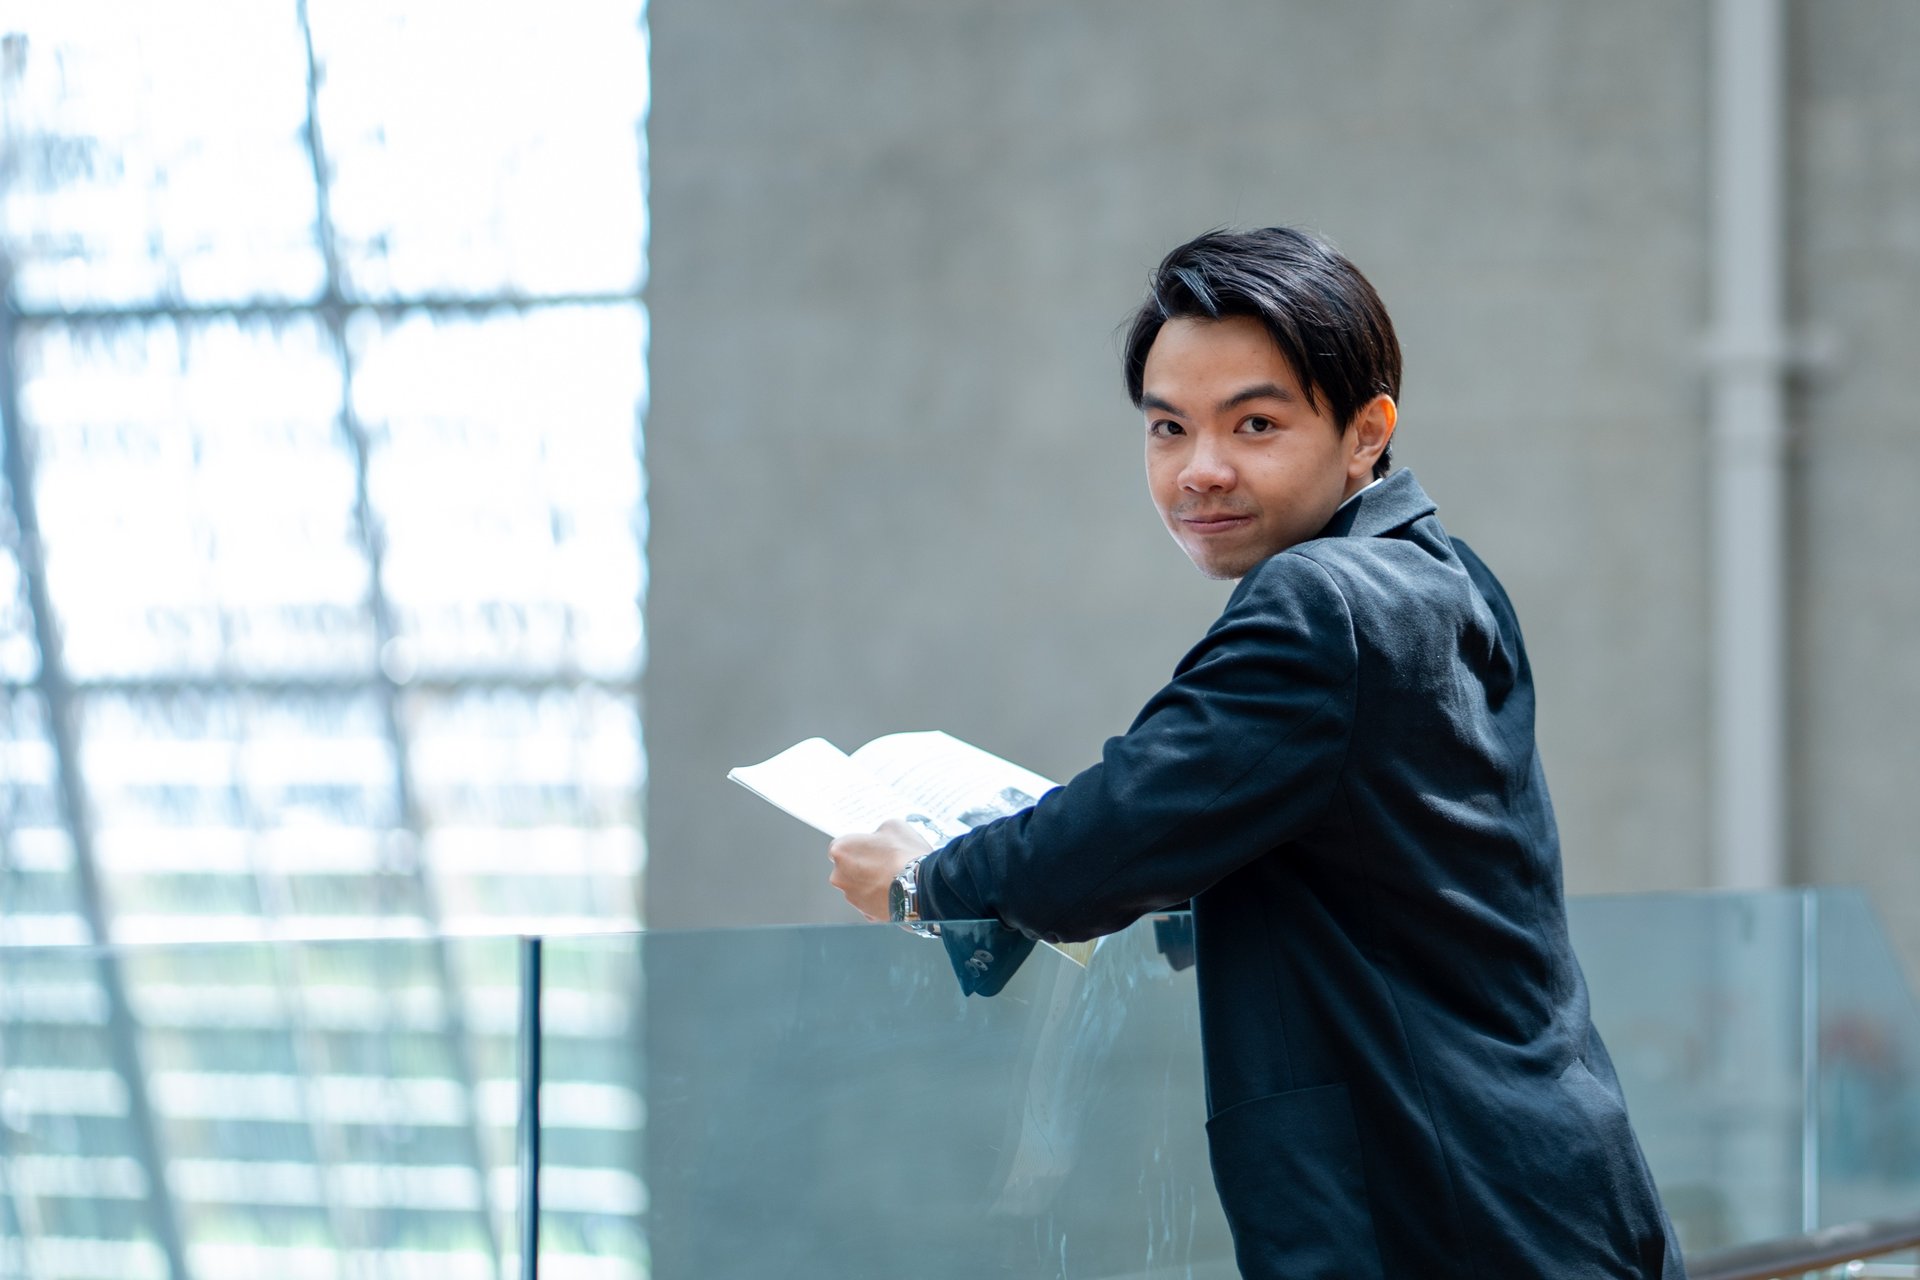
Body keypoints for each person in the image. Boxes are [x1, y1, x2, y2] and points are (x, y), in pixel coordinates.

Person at [828, 227, 1685, 1279]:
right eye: (1168, 428)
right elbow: (1337, 844)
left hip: (1442, 1215)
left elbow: (1118, 829)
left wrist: (921, 880)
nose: (1202, 470)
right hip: (1544, 1184)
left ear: (1367, 430)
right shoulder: (1441, 575)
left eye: (1257, 423)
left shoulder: (1319, 599)